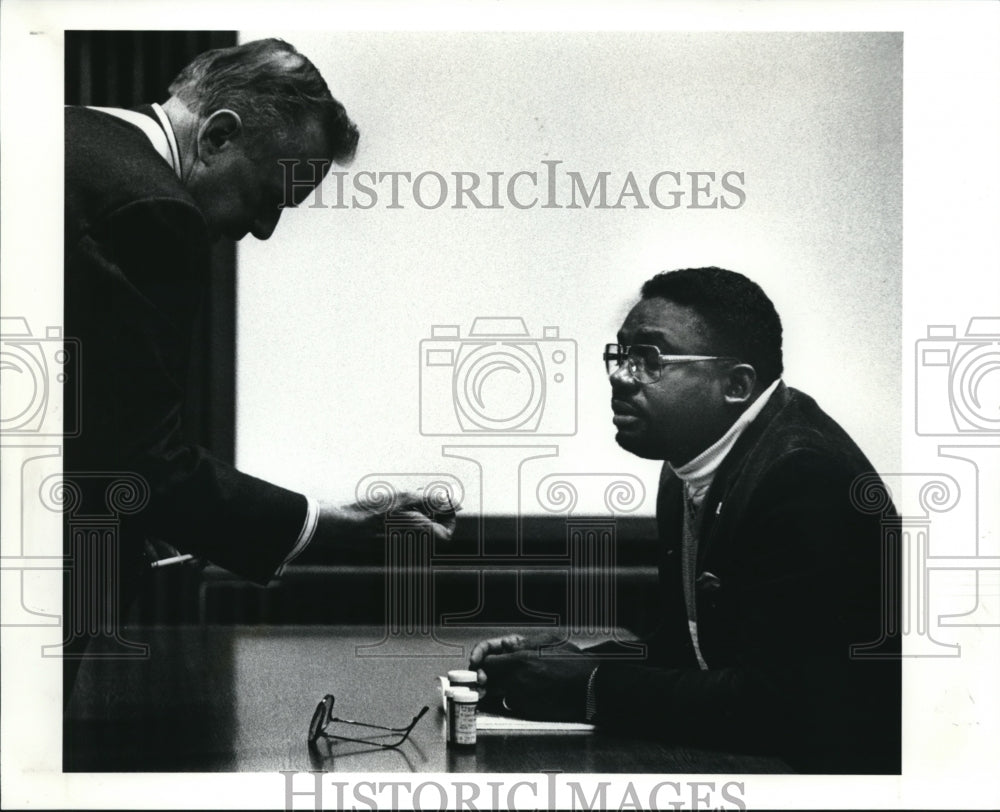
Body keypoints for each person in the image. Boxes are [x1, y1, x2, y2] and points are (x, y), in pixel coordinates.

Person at [63, 39, 455, 690]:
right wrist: (336, 523)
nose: (266, 228)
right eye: (270, 194)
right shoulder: (152, 209)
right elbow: (142, 468)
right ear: (218, 136)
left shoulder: (65, 137)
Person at [469, 267, 900, 773]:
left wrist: (588, 685)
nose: (619, 374)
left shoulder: (804, 474)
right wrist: (573, 660)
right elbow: (690, 649)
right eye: (621, 353)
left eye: (649, 358)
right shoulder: (685, 469)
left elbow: (790, 701)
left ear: (736, 385)